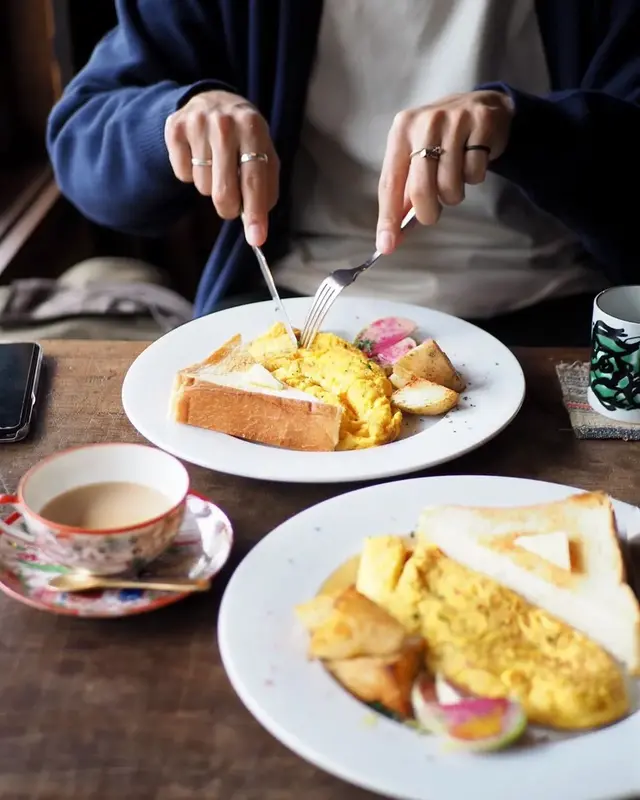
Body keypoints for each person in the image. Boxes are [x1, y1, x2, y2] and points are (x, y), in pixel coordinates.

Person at [46, 1, 640, 346]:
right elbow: (82, 148)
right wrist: (173, 122)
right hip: (287, 302)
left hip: (564, 313)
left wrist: (528, 129)